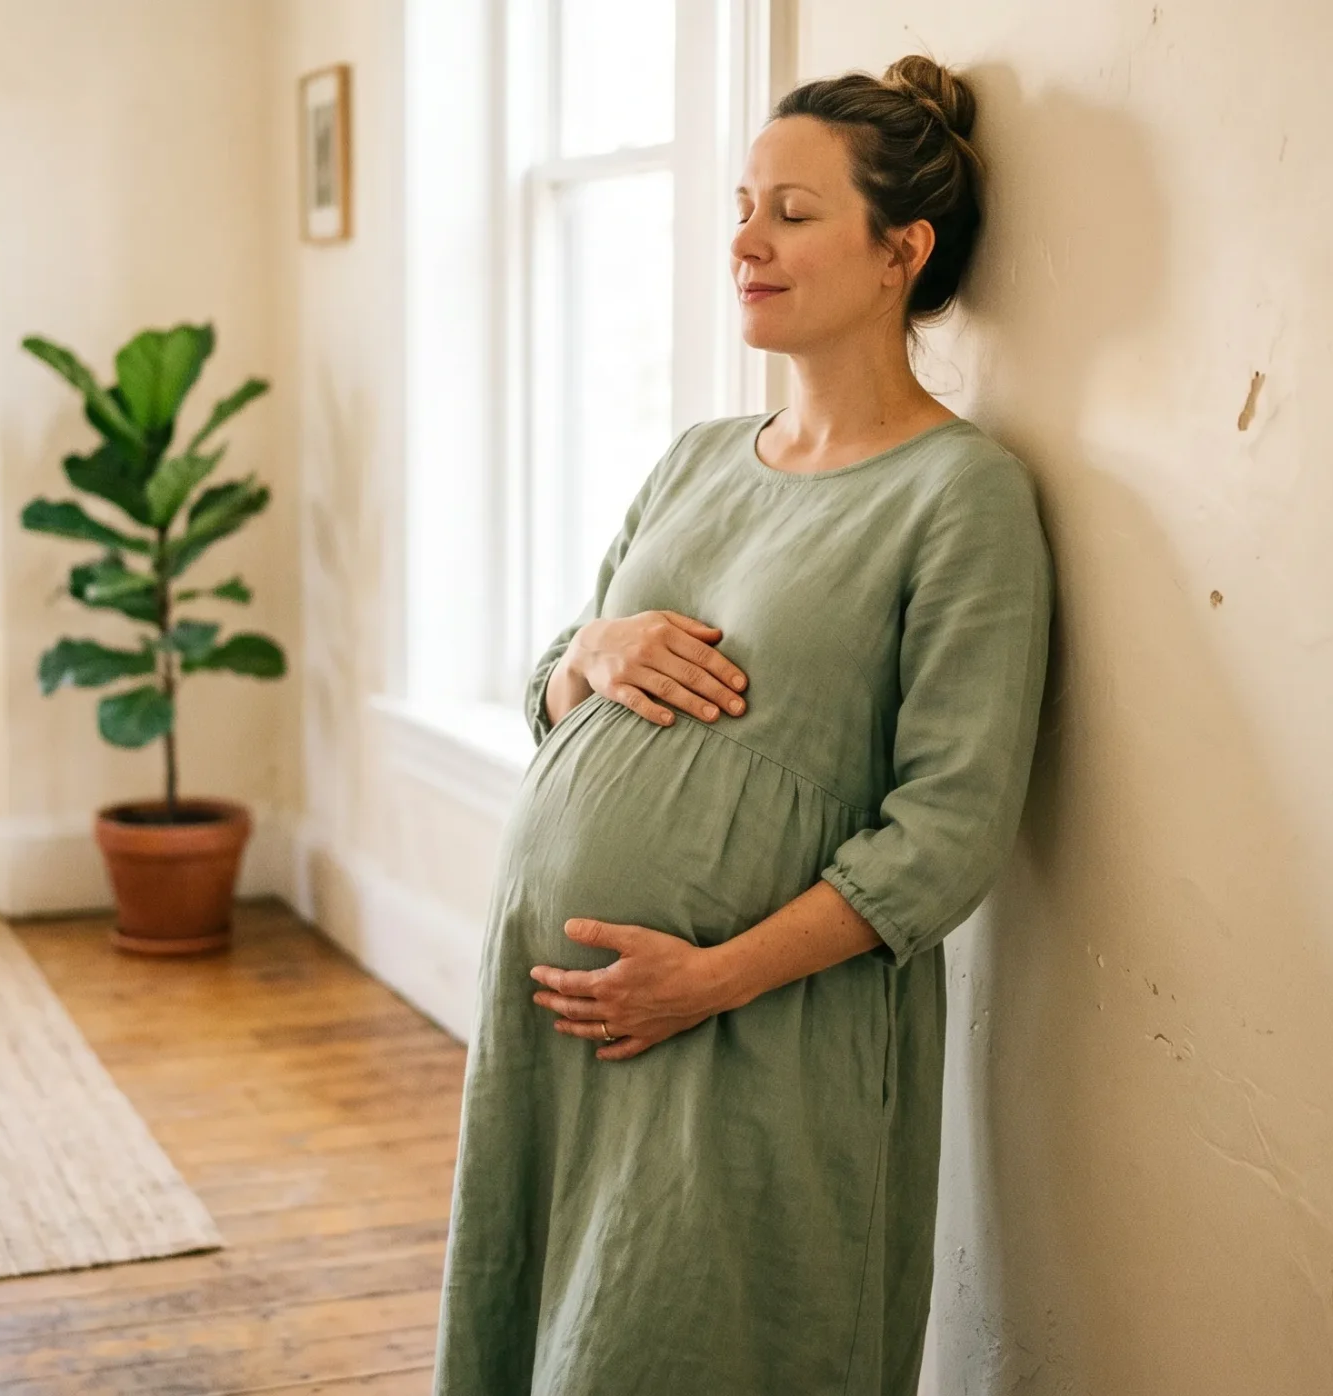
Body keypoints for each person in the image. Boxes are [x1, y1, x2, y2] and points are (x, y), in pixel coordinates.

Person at [431, 53, 1055, 1396]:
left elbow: (949, 832)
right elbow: (552, 692)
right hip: (564, 1017)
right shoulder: (699, 458)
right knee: (539, 1321)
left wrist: (707, 979)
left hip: (751, 1032)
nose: (744, 242)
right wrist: (588, 652)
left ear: (903, 250)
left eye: (792, 211)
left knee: (684, 1348)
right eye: (740, 204)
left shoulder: (961, 497)